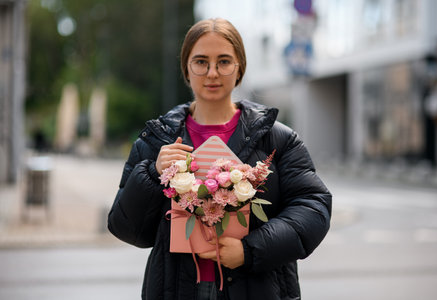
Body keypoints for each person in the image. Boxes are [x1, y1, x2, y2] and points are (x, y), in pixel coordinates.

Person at [108, 18, 332, 300]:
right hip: (176, 290)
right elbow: (125, 227)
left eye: (224, 62)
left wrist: (250, 251)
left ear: (239, 69)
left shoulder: (277, 140)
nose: (212, 72)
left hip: (258, 288)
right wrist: (152, 174)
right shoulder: (157, 142)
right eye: (201, 62)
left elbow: (314, 207)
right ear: (186, 70)